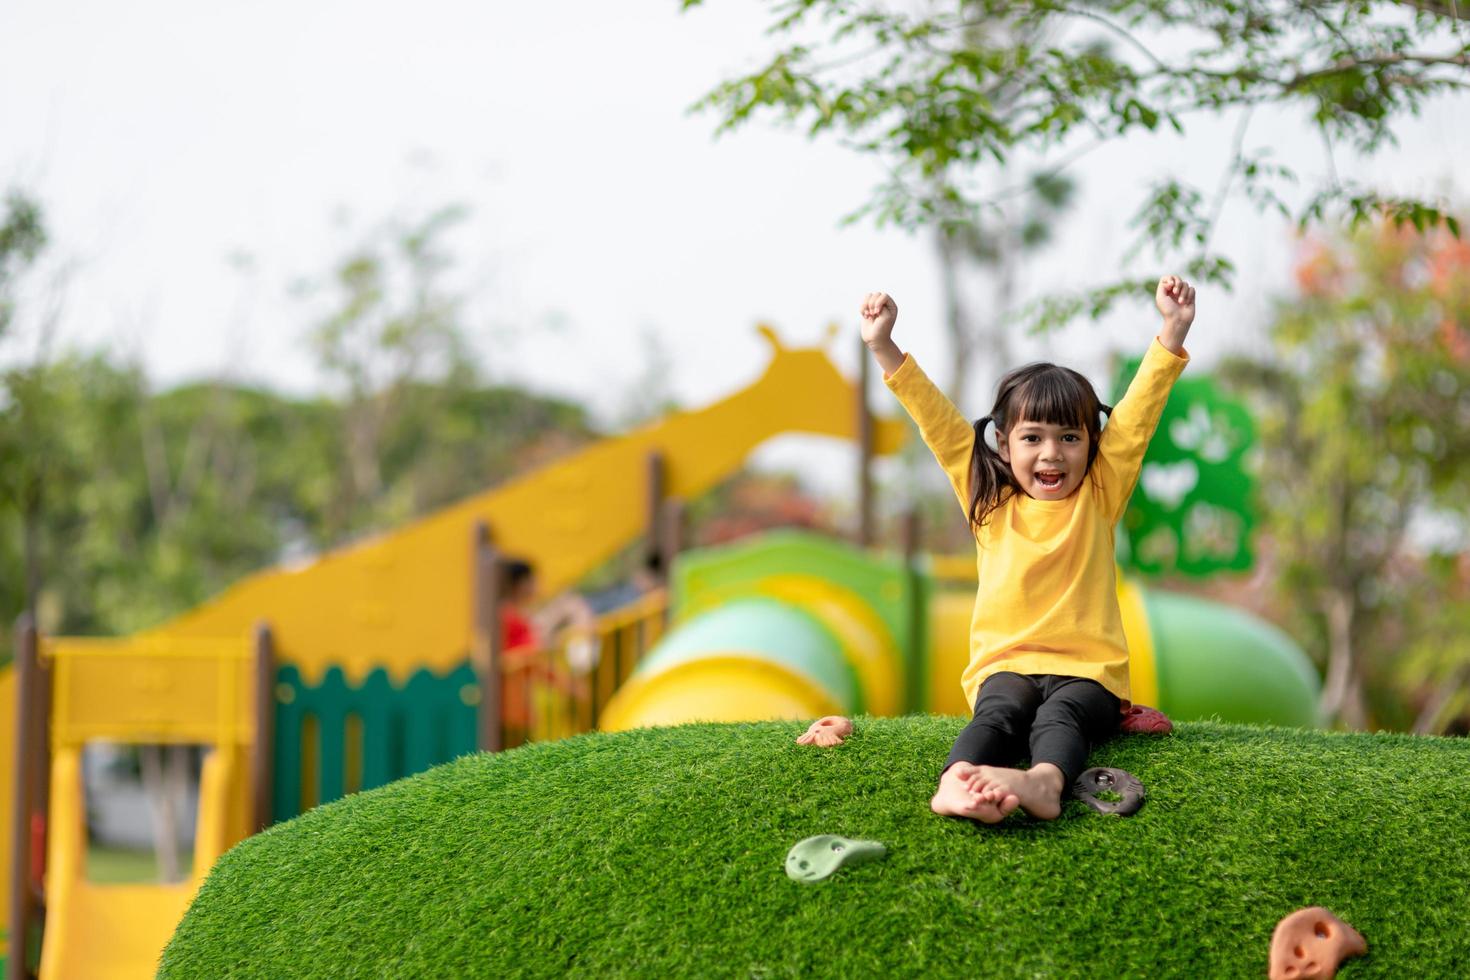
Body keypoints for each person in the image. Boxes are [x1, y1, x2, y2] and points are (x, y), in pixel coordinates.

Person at [859, 276, 1195, 824]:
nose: (1052, 454)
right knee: (998, 714)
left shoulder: (1100, 493)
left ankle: (1043, 783)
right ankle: (954, 785)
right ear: (1002, 443)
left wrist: (1173, 328)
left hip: (1088, 673)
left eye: (1070, 438)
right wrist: (883, 346)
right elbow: (937, 422)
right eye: (1033, 437)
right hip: (1006, 665)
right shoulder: (988, 501)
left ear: (1092, 443)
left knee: (1060, 717)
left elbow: (1137, 417)